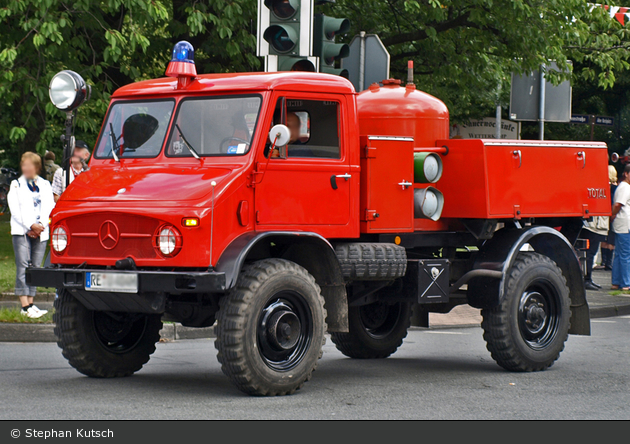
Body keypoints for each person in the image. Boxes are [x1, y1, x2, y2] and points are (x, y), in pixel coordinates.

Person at [7, 152, 55, 318]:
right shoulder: (16, 185)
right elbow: (15, 209)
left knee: (35, 267)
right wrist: (30, 226)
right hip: (22, 231)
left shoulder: (45, 185)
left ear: (37, 167)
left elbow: (50, 206)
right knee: (23, 266)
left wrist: (40, 226)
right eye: (24, 164)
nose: (26, 168)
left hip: (40, 231)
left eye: (29, 165)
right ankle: (24, 305)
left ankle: (32, 302)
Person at [611, 164, 630, 290]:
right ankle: (626, 283)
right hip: (624, 224)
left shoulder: (622, 187)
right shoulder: (625, 187)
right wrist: (612, 215)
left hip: (620, 223)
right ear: (626, 174)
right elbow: (618, 204)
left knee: (619, 254)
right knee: (625, 254)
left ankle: (616, 282)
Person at [581, 216, 609, 290]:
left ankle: (588, 279)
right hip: (594, 227)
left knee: (590, 254)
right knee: (589, 254)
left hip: (596, 226)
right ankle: (586, 279)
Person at [599, 165, 618, 270]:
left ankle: (604, 260)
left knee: (604, 238)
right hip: (613, 215)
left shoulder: (603, 187)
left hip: (604, 214)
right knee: (611, 239)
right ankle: (608, 262)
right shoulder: (615, 189)